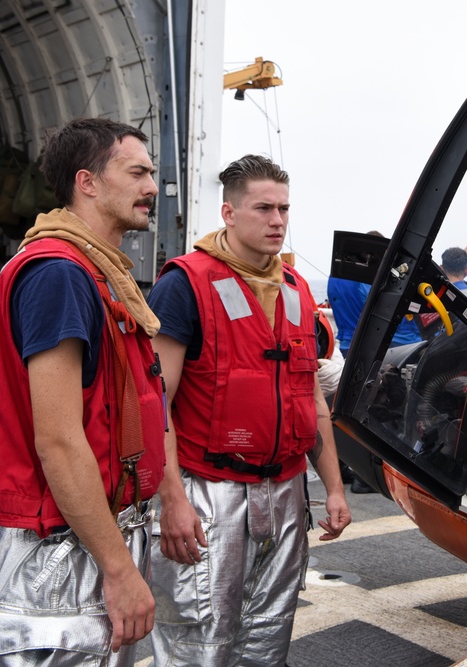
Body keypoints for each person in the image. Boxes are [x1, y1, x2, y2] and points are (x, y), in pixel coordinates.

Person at [146, 154, 351, 666]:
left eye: (284, 209)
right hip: (209, 494)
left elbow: (310, 399)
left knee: (269, 636)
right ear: (229, 213)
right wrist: (171, 500)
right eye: (264, 208)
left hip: (285, 494)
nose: (278, 220)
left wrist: (334, 487)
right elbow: (155, 404)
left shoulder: (299, 292)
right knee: (198, 641)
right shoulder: (185, 284)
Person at [0, 117, 167, 664]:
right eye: (137, 172)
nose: (152, 187)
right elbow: (58, 440)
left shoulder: (98, 274)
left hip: (93, 534)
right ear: (87, 182)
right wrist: (118, 569)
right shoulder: (60, 274)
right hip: (59, 557)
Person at [327, 231, 421, 357]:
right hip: (371, 346)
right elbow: (383, 307)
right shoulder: (366, 278)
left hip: (346, 345)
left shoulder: (334, 277)